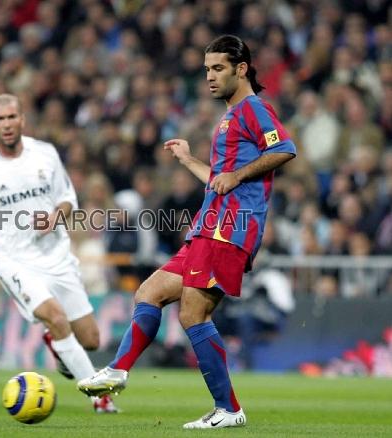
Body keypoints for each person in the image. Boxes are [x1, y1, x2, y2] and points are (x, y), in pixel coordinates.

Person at [78, 35, 296, 429]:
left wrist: (239, 174)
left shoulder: (253, 109)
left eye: (217, 68)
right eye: (206, 69)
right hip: (209, 226)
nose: (209, 77)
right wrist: (187, 159)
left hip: (229, 228)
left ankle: (228, 409)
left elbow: (285, 149)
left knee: (193, 313)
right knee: (150, 291)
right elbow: (219, 181)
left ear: (241, 69)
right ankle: (118, 370)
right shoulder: (230, 116)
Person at [0, 93, 117, 413]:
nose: (7, 124)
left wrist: (55, 216)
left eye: (12, 117)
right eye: (0, 119)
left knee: (91, 339)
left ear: (22, 119)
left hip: (57, 257)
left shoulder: (45, 153)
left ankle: (58, 345)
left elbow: (67, 198)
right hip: (15, 261)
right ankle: (99, 397)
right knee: (55, 317)